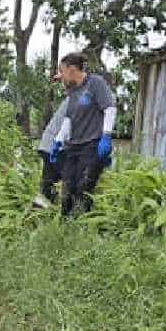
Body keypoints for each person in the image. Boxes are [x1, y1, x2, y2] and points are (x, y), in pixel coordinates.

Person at [48, 52, 116, 218]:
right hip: (73, 146)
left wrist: (106, 136)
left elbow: (109, 108)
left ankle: (83, 225)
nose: (61, 77)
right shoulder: (73, 92)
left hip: (92, 145)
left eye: (62, 71)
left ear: (72, 70)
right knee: (67, 189)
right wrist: (58, 141)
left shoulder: (95, 83)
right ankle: (65, 226)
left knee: (83, 188)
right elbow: (69, 120)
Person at [36, 89, 71, 209]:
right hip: (56, 146)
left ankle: (38, 215)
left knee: (48, 189)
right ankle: (67, 216)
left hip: (50, 145)